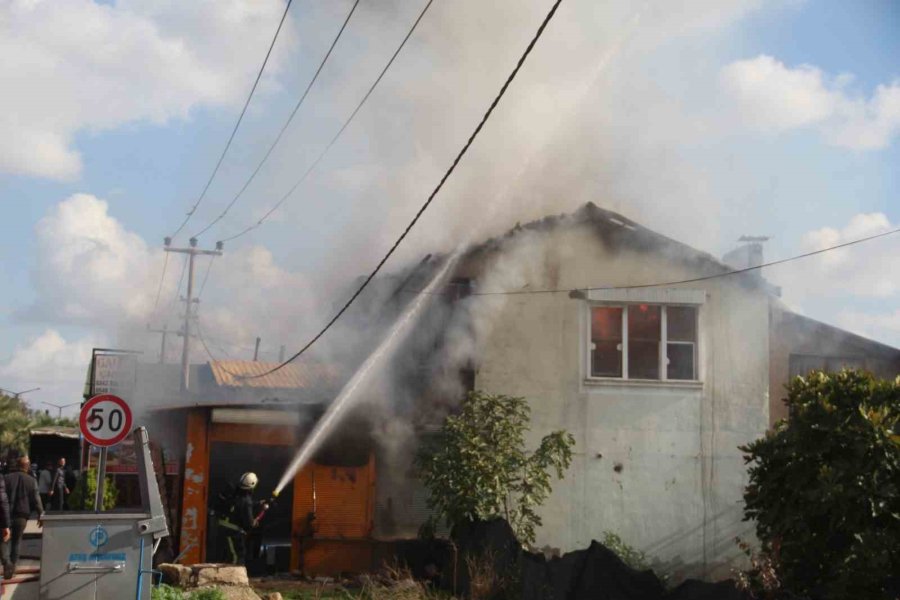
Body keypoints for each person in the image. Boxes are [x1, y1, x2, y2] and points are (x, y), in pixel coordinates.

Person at [2, 457, 43, 580]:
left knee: (3, 540)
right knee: (17, 541)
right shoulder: (32, 481)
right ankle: (13, 568)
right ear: (28, 466)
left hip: (6, 515)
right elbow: (36, 500)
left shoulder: (7, 478)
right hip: (22, 516)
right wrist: (41, 515)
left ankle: (6, 563)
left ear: (16, 465)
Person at [217, 472, 261, 565]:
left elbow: (242, 505)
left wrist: (259, 503)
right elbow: (249, 523)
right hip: (231, 532)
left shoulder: (237, 494)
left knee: (228, 555)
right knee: (237, 556)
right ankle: (234, 579)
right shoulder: (246, 500)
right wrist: (255, 522)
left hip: (224, 528)